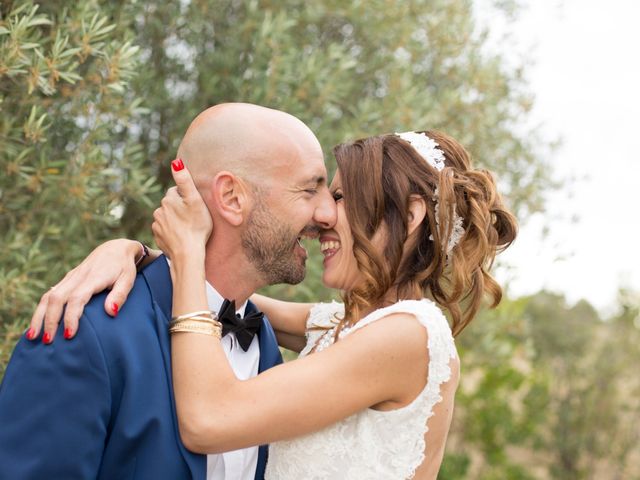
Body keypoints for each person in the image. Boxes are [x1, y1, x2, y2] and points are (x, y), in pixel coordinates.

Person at [18, 128, 517, 478]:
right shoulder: (340, 326)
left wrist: (188, 250)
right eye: (322, 194)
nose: (324, 215)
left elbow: (210, 419)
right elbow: (226, 295)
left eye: (341, 198)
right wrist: (133, 251)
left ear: (408, 218)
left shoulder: (410, 335)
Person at [0, 103, 337, 480]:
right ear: (232, 198)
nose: (328, 215)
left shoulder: (262, 338)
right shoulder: (85, 332)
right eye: (309, 189)